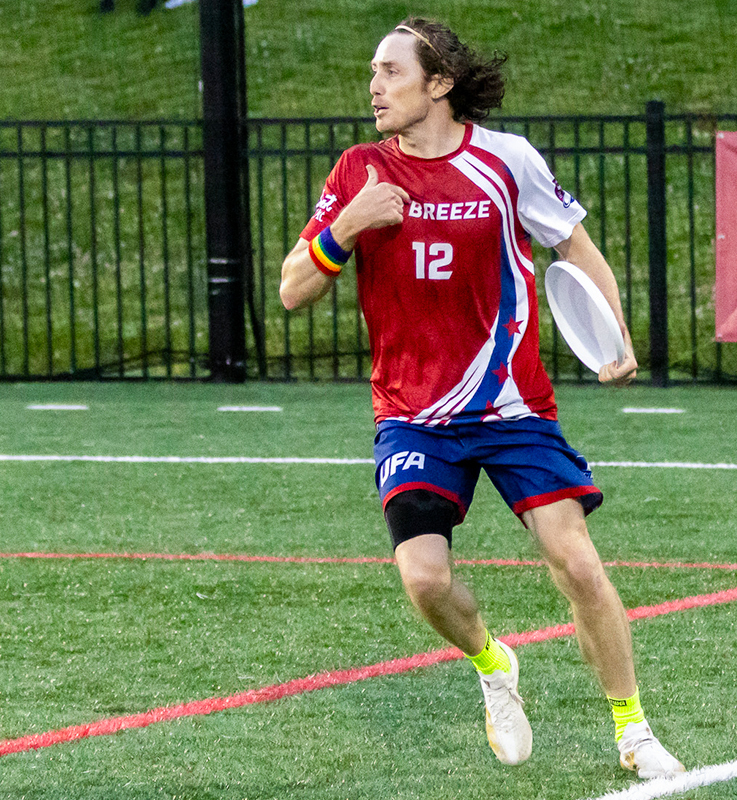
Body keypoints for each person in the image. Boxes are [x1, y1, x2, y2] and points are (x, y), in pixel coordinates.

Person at [279, 17, 684, 780]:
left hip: (511, 406)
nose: (374, 87)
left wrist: (616, 334)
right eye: (373, 73)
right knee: (425, 579)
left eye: (391, 72)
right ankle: (495, 664)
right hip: (412, 414)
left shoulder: (506, 160)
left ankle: (633, 732)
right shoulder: (359, 170)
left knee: (577, 564)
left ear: (439, 83)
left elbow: (574, 246)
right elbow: (293, 288)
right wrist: (348, 224)